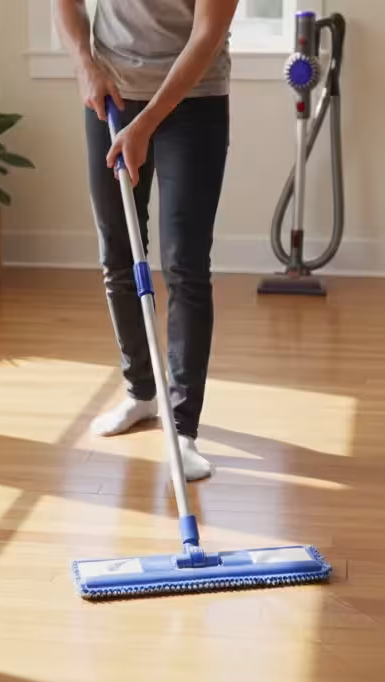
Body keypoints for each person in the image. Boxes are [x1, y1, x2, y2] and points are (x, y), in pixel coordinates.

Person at [53, 0, 238, 482]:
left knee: (186, 265)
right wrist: (85, 65)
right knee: (118, 251)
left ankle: (183, 429)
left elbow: (206, 36)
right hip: (112, 96)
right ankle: (141, 393)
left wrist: (146, 123)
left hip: (194, 103)